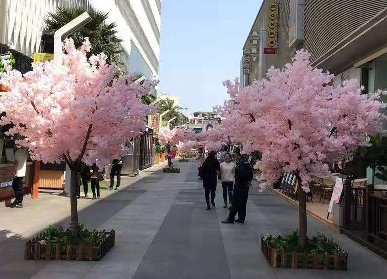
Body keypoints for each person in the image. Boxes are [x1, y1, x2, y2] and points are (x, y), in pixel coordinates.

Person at [222, 152, 253, 224]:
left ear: (238, 155)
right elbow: (250, 174)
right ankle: (241, 218)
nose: (233, 158)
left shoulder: (240, 164)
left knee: (235, 202)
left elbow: (241, 174)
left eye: (234, 156)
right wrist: (248, 181)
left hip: (240, 185)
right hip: (245, 186)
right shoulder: (247, 163)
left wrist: (237, 177)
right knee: (243, 202)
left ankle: (231, 218)